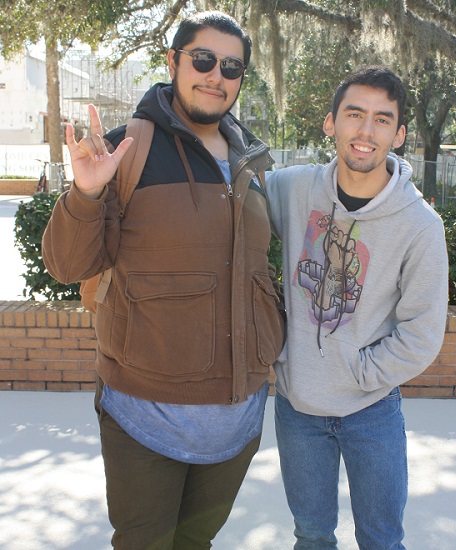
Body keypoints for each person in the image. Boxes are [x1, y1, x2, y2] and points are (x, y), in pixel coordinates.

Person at [42, 11, 284, 550]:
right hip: (141, 415)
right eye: (202, 60)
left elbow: (259, 272)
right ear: (174, 61)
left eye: (231, 66)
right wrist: (84, 195)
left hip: (238, 417)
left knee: (197, 544)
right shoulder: (126, 148)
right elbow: (65, 266)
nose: (215, 75)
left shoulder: (252, 158)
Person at [265, 66, 449, 549]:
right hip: (297, 407)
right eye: (354, 114)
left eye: (383, 120)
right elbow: (225, 185)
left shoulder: (420, 225)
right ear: (331, 123)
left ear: (399, 133)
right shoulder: (293, 188)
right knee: (310, 536)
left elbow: (422, 334)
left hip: (371, 410)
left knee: (382, 540)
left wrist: (361, 372)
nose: (366, 131)